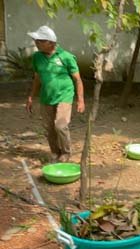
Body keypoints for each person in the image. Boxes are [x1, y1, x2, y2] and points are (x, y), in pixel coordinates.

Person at [25, 25, 85, 163]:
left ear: (50, 43)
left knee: (60, 125)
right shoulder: (37, 57)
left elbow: (77, 79)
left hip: (64, 95)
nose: (36, 43)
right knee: (49, 128)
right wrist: (30, 97)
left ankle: (65, 153)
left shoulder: (66, 57)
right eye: (36, 40)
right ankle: (55, 152)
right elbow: (37, 77)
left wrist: (80, 100)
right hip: (46, 97)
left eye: (39, 40)